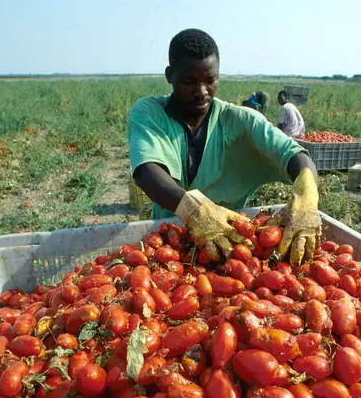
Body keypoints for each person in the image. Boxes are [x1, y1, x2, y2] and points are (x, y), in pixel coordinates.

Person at [128, 28, 320, 266]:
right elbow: (148, 172)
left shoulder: (240, 120)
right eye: (188, 82)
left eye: (211, 81)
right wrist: (196, 211)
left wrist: (307, 194)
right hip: (171, 246)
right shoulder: (151, 113)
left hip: (234, 247)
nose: (201, 92)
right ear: (170, 75)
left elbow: (294, 156)